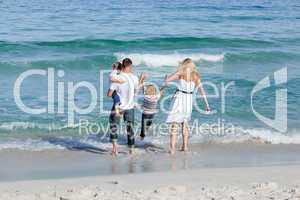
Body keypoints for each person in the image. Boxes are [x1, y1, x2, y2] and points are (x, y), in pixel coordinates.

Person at [164, 58, 210, 155]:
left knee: (174, 124)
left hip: (179, 98)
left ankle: (172, 149)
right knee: (184, 124)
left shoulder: (180, 73)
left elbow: (167, 81)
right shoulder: (196, 76)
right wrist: (206, 104)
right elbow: (202, 91)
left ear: (184, 65)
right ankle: (185, 147)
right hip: (188, 100)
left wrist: (166, 77)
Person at [107, 58, 145, 155]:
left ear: (122, 66)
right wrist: (141, 80)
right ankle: (131, 149)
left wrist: (115, 93)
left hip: (118, 106)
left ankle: (115, 150)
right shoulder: (134, 78)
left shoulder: (117, 77)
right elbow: (136, 91)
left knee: (114, 126)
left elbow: (109, 94)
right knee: (130, 128)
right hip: (130, 106)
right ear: (130, 66)